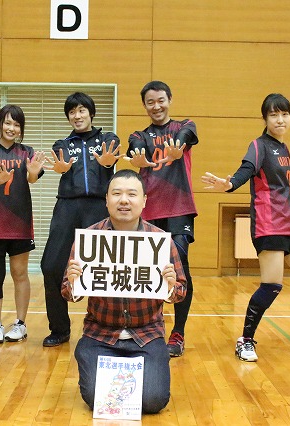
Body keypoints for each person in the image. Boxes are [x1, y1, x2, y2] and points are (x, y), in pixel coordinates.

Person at [201, 93, 290, 362]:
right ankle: (245, 340)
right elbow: (246, 169)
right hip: (268, 224)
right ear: (265, 119)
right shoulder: (259, 146)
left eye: (284, 114)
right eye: (274, 115)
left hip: (289, 223)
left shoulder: (284, 148)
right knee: (272, 285)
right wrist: (229, 184)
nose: (280, 120)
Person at [62, 169, 186, 414]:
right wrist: (74, 282)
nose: (124, 200)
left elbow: (181, 292)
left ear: (144, 200)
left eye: (132, 194)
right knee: (97, 399)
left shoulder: (160, 240)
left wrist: (171, 287)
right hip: (100, 334)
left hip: (146, 335)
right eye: (117, 194)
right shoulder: (90, 238)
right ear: (106, 199)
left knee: (153, 401)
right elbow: (68, 293)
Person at [40, 92, 122, 347]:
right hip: (67, 207)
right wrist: (61, 168)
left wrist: (107, 164)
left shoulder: (107, 139)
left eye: (81, 110)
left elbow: (113, 153)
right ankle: (59, 329)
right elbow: (61, 161)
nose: (77, 116)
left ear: (91, 113)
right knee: (51, 266)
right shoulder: (62, 144)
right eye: (72, 112)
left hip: (98, 207)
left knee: (105, 268)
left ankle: (106, 326)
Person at [125, 81, 197, 357]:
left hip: (179, 208)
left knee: (179, 267)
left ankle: (178, 332)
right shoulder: (139, 134)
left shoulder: (184, 126)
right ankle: (150, 326)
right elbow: (135, 147)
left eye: (161, 100)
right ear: (145, 106)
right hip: (150, 212)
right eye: (150, 102)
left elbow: (187, 135)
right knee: (148, 270)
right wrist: (137, 157)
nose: (156, 106)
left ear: (169, 100)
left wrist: (178, 146)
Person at [0, 104, 45, 344]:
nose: (11, 128)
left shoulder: (26, 152)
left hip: (20, 225)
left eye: (17, 125)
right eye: (7, 122)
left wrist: (34, 172)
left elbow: (32, 179)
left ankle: (20, 324)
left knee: (20, 273)